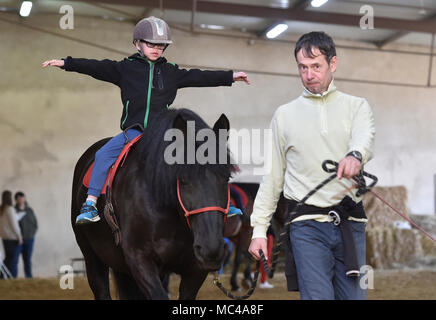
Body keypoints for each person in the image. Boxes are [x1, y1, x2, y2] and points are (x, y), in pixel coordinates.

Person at [42, 16, 249, 224]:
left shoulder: (171, 72)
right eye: (151, 44)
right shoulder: (125, 68)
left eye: (161, 45)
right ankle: (91, 203)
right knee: (103, 154)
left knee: (201, 153)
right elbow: (95, 66)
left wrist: (230, 76)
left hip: (164, 134)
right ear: (137, 44)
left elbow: (201, 77)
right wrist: (66, 63)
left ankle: (225, 201)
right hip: (135, 131)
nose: (156, 48)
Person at [248, 31, 375, 300]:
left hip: (350, 224)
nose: (309, 74)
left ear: (333, 63)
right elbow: (272, 176)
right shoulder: (284, 115)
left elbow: (365, 137)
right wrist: (259, 230)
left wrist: (355, 155)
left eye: (316, 66)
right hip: (306, 225)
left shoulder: (357, 106)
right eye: (302, 68)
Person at [14, 191, 38, 278]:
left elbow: (35, 223)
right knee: (15, 260)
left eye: (22, 198)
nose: (21, 200)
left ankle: (29, 278)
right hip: (17, 241)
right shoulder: (13, 211)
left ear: (24, 199)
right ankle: (14, 278)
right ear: (16, 200)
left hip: (29, 239)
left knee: (27, 260)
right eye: (19, 198)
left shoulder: (29, 210)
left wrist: (32, 234)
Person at [0, 190, 23, 278]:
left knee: (8, 259)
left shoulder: (1, 209)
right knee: (13, 261)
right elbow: (14, 226)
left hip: (5, 238)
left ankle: (3, 276)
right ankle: (13, 278)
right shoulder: (10, 209)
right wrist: (20, 237)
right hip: (13, 239)